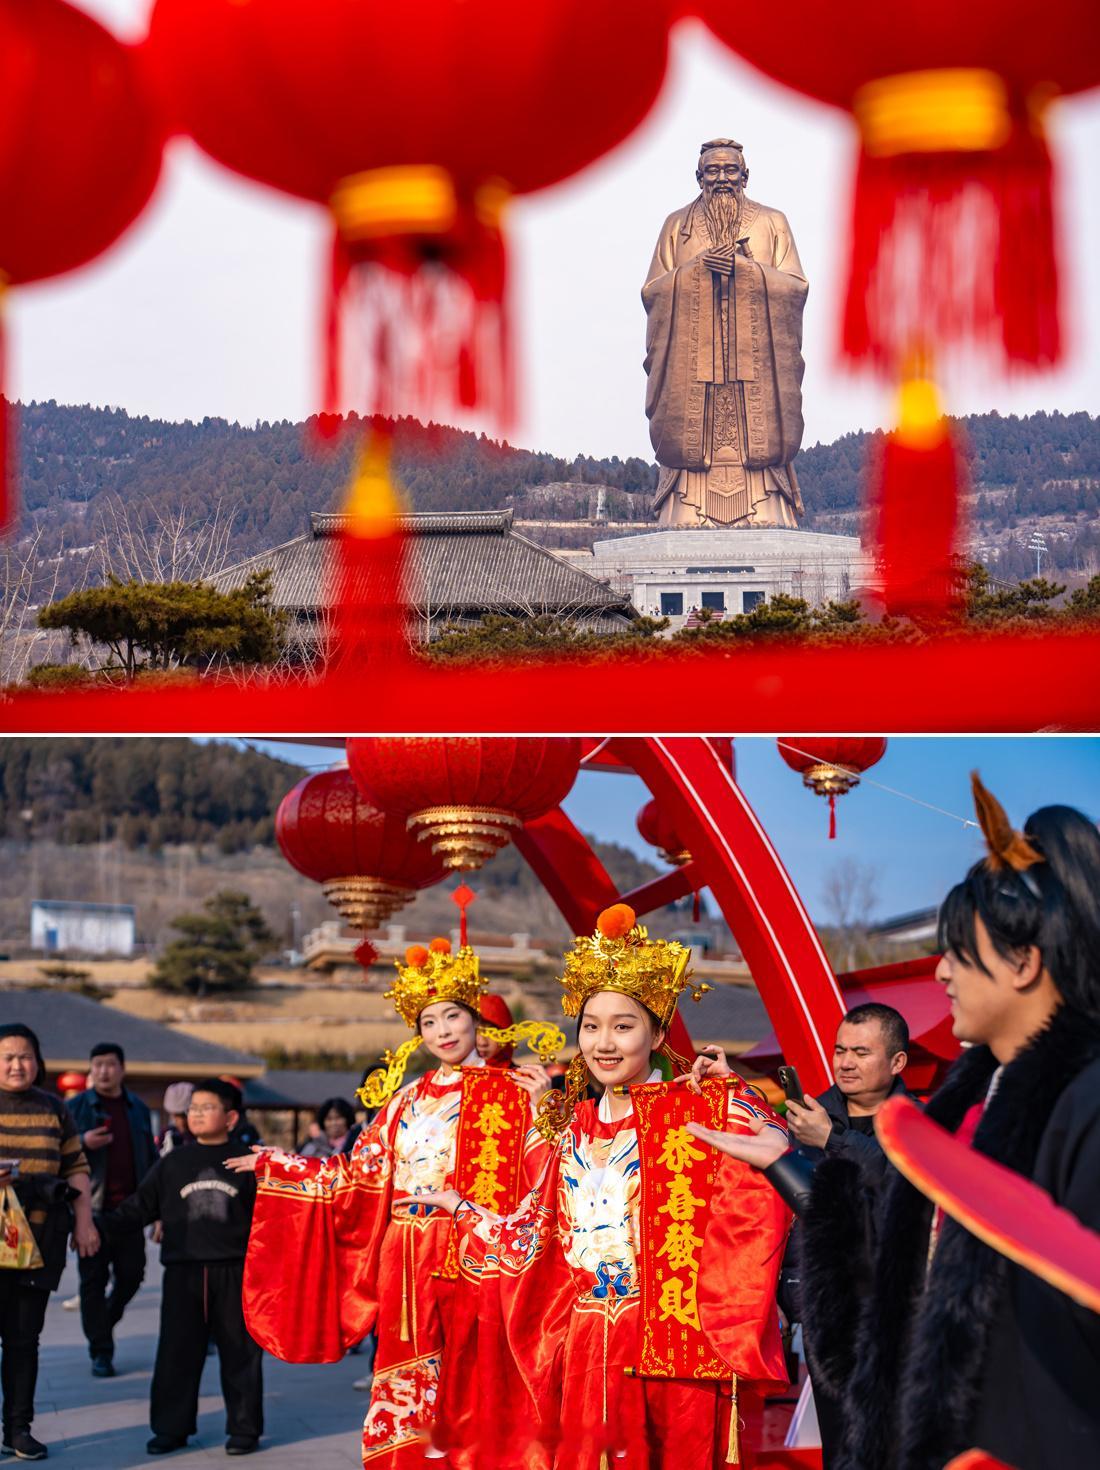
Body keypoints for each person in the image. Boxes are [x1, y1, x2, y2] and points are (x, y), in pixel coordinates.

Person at [686, 776, 1100, 1470]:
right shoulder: (976, 1099)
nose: (941, 975)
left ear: (1025, 963)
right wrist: (783, 1160)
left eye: (958, 955)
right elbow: (901, 1220)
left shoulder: (1081, 1102)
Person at [419, 903, 791, 1469]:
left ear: (659, 1032)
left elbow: (771, 1162)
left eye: (624, 1026)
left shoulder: (693, 1113)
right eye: (591, 1027)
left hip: (670, 1340)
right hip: (586, 1339)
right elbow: (535, 1233)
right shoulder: (571, 1129)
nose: (604, 1043)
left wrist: (736, 1093)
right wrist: (464, 1209)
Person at [228, 937, 552, 1468]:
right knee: (408, 1372)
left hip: (477, 1255)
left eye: (453, 1016)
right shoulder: (404, 1099)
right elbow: (358, 1175)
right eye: (429, 1022)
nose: (443, 1031)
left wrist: (546, 1111)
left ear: (476, 1020)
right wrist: (279, 1164)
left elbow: (546, 1177)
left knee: (474, 1372)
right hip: (405, 1257)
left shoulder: (516, 1092)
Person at [693, 1004, 912, 1463]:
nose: (846, 1062)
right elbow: (769, 1198)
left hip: (902, 1308)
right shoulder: (803, 1118)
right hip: (826, 1311)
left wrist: (831, 1139)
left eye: (861, 1052)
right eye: (840, 1050)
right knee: (840, 1442)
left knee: (900, 1440)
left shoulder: (920, 1125)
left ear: (897, 1063)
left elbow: (903, 1184)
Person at [643, 138, 808, 529]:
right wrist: (697, 269)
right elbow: (653, 291)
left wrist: (748, 271)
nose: (722, 179)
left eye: (730, 170)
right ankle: (686, 506)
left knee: (757, 439)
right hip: (693, 374)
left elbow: (796, 287)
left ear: (745, 176)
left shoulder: (772, 222)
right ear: (699, 177)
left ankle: (767, 502)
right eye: (713, 171)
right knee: (694, 438)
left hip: (755, 374)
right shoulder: (676, 226)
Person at [104, 1077, 263, 1457]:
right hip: (183, 1273)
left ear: (230, 1117)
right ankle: (171, 1428)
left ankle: (244, 1429)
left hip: (235, 1272)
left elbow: (272, 1220)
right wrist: (94, 1224)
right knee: (176, 1352)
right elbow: (139, 1207)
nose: (196, 1114)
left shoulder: (248, 1161)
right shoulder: (173, 1163)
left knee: (240, 1354)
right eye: (192, 1108)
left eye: (207, 1108)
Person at [0, 1023, 99, 1462]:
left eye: (24, 1056)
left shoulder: (55, 1109)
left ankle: (18, 1429)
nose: (16, 1064)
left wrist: (84, 1223)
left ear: (37, 1062)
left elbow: (76, 1167)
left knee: (24, 1341)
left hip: (38, 1242)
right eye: (7, 1057)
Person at [67, 1042, 158, 1378]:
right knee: (92, 1281)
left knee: (133, 1276)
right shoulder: (76, 1106)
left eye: (109, 1064)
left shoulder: (137, 1108)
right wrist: (82, 1142)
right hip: (92, 1209)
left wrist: (156, 1208)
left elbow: (150, 1159)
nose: (103, 1071)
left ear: (121, 1068)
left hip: (131, 1210)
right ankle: (100, 1351)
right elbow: (59, 1153)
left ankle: (103, 1322)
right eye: (97, 1065)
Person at [475, 993, 515, 1067]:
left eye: (492, 1032)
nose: (482, 1043)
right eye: (475, 1032)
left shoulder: (521, 1077)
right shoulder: (452, 1076)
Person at [156, 1083, 194, 1157]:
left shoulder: (199, 1134)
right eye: (176, 1116)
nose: (181, 1122)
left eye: (184, 1116)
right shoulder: (166, 1133)